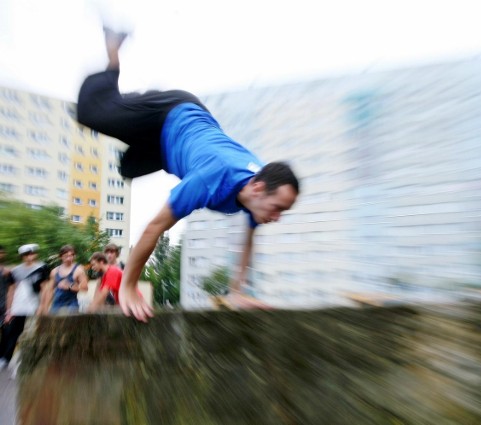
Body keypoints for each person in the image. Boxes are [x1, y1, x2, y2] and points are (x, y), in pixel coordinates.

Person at [76, 27, 299, 322]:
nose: (277, 217)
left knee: (129, 167)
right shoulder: (211, 179)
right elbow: (155, 227)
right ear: (258, 189)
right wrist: (128, 286)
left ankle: (133, 106)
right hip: (170, 112)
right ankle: (114, 50)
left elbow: (248, 240)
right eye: (278, 208)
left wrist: (237, 291)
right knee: (92, 114)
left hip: (171, 145)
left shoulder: (256, 193)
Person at [0, 244, 49, 369]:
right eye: (26, 254)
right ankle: (5, 358)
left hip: (34, 306)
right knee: (10, 333)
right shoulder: (15, 271)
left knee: (33, 334)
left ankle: (31, 361)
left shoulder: (42, 268)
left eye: (32, 253)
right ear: (22, 256)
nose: (29, 257)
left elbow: (45, 289)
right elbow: (11, 291)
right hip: (17, 307)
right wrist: (9, 310)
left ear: (35, 254)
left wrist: (43, 307)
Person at [43, 245, 88, 313]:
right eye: (66, 256)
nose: (69, 258)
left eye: (71, 255)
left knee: (70, 323)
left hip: (72, 304)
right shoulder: (54, 271)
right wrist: (45, 307)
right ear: (60, 257)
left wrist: (69, 286)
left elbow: (85, 289)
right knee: (54, 322)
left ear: (74, 256)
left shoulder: (79, 270)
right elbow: (50, 290)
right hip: (57, 304)